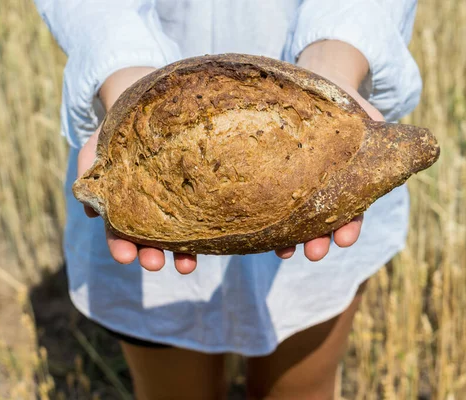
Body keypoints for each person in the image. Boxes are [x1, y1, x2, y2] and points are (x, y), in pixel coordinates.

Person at [34, 1, 422, 398]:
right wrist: (121, 69)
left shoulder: (352, 145)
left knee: (299, 388)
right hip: (132, 112)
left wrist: (339, 53)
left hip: (327, 98)